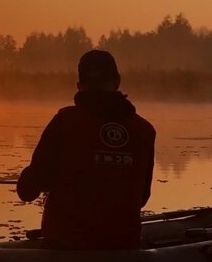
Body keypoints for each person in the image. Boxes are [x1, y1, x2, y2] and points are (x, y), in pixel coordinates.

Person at [16, 49, 156, 250]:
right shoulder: (144, 130)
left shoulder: (64, 121)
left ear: (80, 86)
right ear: (117, 82)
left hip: (66, 245)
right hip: (123, 247)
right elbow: (142, 197)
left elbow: (28, 191)